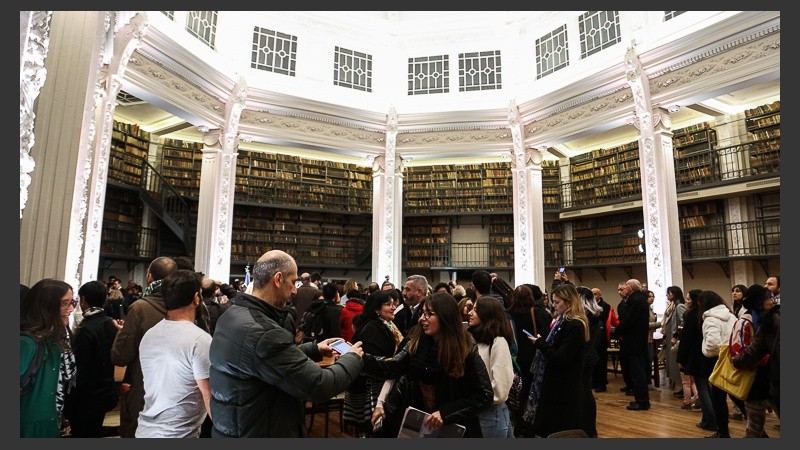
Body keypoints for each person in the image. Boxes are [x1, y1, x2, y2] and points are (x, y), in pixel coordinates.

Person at [208, 249, 364, 437]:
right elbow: (320, 385)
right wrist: (353, 358)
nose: (294, 290)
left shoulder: (233, 314)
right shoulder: (264, 332)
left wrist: (314, 349)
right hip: (262, 430)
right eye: (293, 282)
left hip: (237, 427)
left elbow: (265, 360)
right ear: (278, 279)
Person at [363, 291, 493, 438]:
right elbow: (391, 368)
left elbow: (484, 396)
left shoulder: (465, 349)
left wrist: (446, 413)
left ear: (445, 317)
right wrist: (359, 359)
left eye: (429, 314)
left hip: (455, 428)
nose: (421, 319)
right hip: (420, 426)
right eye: (422, 313)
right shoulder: (416, 344)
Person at [135, 270, 213, 437]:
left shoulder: (149, 335)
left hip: (145, 431)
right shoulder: (200, 340)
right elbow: (210, 399)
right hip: (179, 434)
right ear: (196, 298)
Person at [110, 256, 178, 437]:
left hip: (144, 386)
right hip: (178, 390)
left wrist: (122, 334)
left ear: (149, 277)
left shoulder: (140, 308)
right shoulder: (190, 307)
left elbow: (120, 355)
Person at [521, 283, 590, 437]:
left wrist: (539, 343)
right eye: (553, 301)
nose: (554, 305)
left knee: (561, 429)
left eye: (557, 302)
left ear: (569, 302)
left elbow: (562, 357)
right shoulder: (562, 321)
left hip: (565, 386)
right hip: (557, 382)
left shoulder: (574, 325)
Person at [20, 279, 77, 438]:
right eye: (64, 303)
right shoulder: (26, 344)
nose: (71, 308)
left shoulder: (56, 341)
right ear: (45, 306)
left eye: (72, 302)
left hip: (49, 424)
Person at [63, 280, 119, 437]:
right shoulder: (109, 323)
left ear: (84, 300)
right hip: (105, 391)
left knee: (81, 433)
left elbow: (81, 369)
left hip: (86, 398)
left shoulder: (86, 329)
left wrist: (70, 401)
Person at [342, 290, 402, 437]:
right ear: (376, 309)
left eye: (394, 304)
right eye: (388, 304)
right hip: (373, 392)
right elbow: (373, 362)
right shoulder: (374, 329)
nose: (393, 307)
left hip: (380, 388)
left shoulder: (387, 325)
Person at [732, 284, 779, 438]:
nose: (771, 301)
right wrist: (766, 359)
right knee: (755, 425)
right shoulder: (745, 322)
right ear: (758, 301)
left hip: (771, 377)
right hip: (756, 379)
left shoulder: (772, 318)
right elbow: (741, 350)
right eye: (767, 298)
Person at [507, 284, 551, 437]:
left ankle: (520, 425)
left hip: (517, 359)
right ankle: (533, 424)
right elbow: (547, 335)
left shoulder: (509, 314)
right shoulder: (537, 312)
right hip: (534, 357)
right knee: (536, 391)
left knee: (521, 392)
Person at [467, 296, 515, 438]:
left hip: (491, 412)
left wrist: (476, 398)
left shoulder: (498, 342)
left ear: (487, 314)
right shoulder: (477, 339)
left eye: (475, 310)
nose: (470, 313)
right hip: (480, 410)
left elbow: (501, 388)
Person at [677, 289, 717, 432]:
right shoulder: (710, 314)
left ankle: (710, 420)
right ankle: (710, 418)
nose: (686, 301)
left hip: (697, 356)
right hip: (710, 355)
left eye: (688, 299)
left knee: (702, 388)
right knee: (707, 388)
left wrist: (681, 358)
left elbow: (686, 339)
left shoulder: (692, 314)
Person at [699, 289, 737, 438]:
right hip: (731, 358)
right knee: (735, 395)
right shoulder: (731, 316)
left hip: (717, 361)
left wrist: (706, 352)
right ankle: (757, 430)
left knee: (719, 399)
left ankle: (723, 432)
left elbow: (713, 345)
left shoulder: (710, 319)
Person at [614, 279, 650, 410]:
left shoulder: (635, 300)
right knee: (637, 370)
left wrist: (617, 331)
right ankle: (641, 399)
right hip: (637, 340)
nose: (625, 288)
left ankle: (642, 401)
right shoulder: (640, 299)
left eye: (627, 286)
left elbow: (628, 320)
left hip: (633, 341)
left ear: (632, 288)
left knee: (637, 372)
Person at [662, 285, 686, 395]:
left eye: (669, 293)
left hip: (676, 340)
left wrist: (676, 336)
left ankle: (682, 387)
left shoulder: (680, 306)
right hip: (671, 339)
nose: (667, 295)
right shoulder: (675, 306)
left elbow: (682, 323)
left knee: (676, 364)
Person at [590, 287, 611, 392]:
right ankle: (593, 382)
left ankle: (602, 384)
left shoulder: (605, 306)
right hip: (592, 336)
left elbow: (600, 318)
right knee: (593, 360)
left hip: (600, 337)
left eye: (595, 294)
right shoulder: (589, 305)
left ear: (600, 295)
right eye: (592, 294)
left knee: (601, 361)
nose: (593, 296)